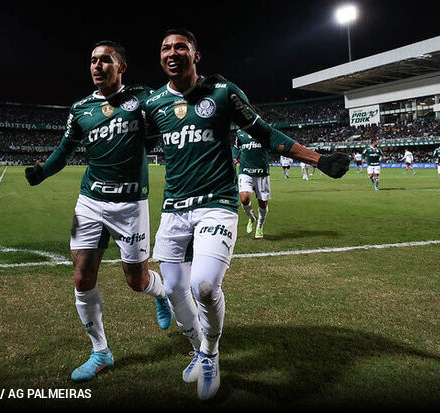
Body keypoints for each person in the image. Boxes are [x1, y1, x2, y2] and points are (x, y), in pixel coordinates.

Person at [143, 29, 349, 400]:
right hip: (173, 209)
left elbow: (265, 133)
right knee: (173, 288)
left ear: (195, 55)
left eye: (180, 47)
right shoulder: (154, 102)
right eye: (165, 48)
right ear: (160, 57)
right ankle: (196, 348)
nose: (171, 53)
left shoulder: (223, 93)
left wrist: (319, 160)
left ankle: (210, 352)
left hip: (216, 204)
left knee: (203, 285)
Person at [24, 40, 173, 383]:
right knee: (81, 276)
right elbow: (65, 150)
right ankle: (101, 352)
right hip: (89, 202)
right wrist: (43, 171)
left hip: (131, 205)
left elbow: (174, 112)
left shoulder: (143, 100)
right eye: (92, 60)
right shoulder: (80, 109)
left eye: (105, 60)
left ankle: (161, 293)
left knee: (136, 280)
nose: (96, 65)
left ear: (121, 67)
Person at [233, 129, 271, 239]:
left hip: (262, 172)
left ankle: (260, 226)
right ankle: (251, 217)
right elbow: (236, 146)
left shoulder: (264, 131)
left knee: (263, 203)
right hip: (245, 171)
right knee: (244, 199)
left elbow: (274, 144)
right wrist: (234, 157)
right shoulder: (240, 133)